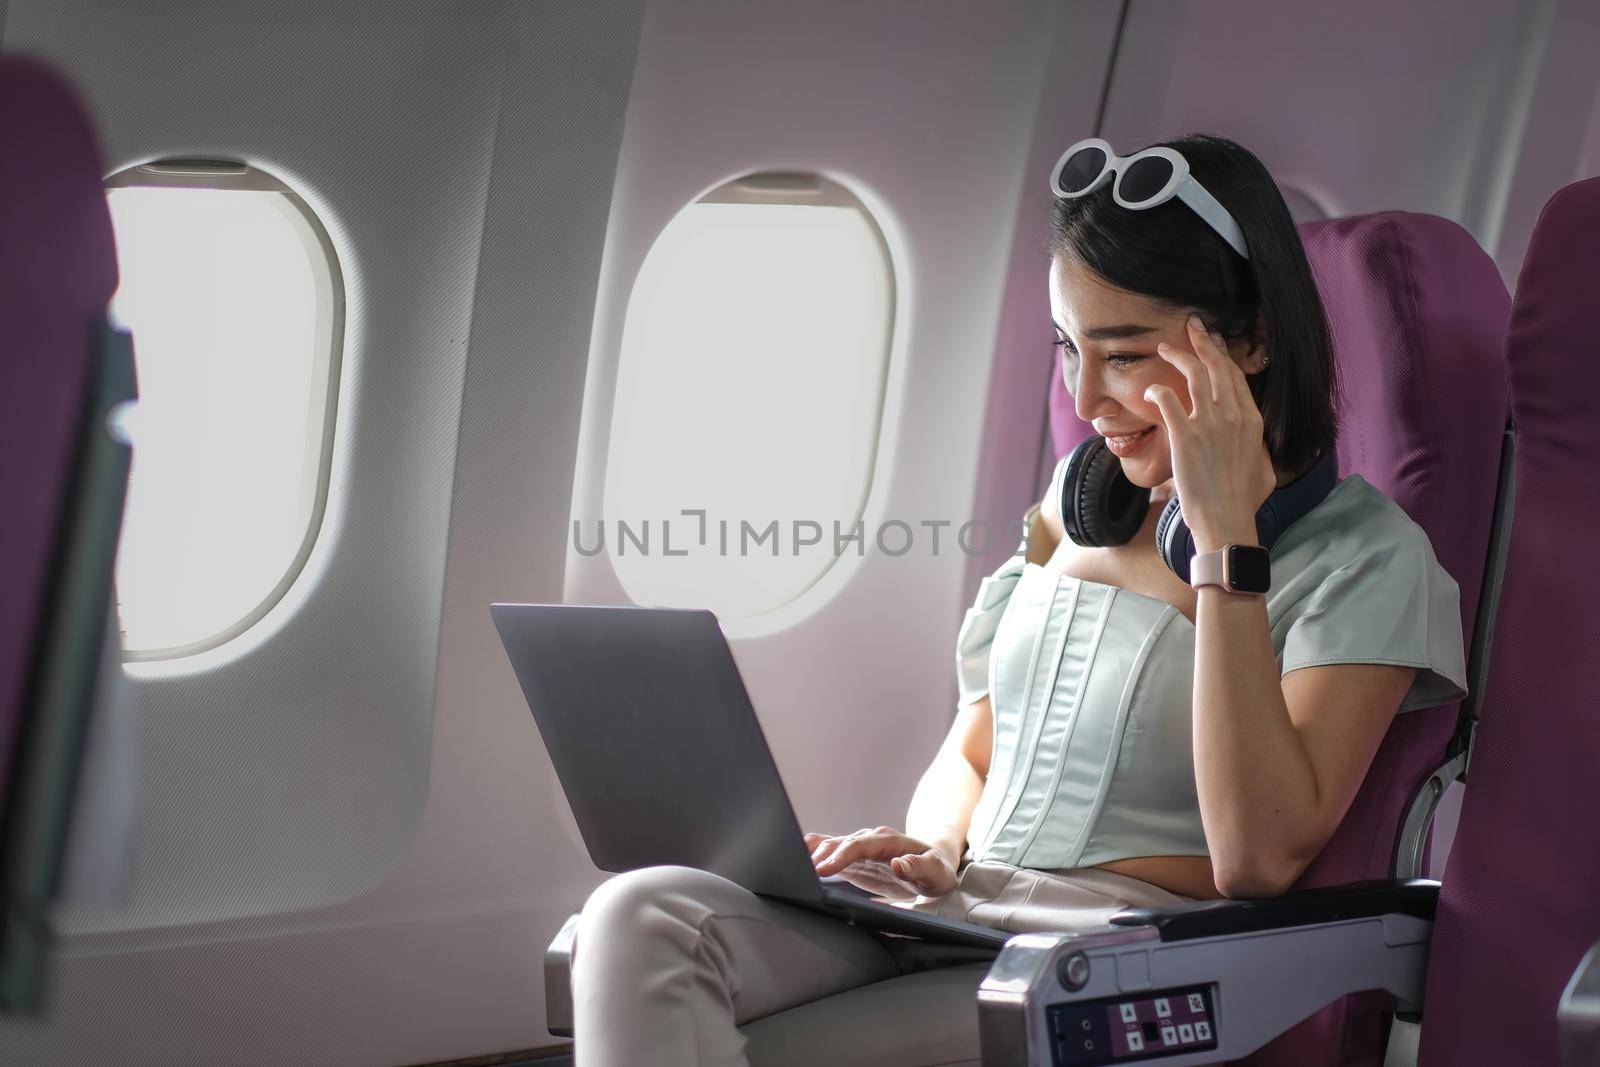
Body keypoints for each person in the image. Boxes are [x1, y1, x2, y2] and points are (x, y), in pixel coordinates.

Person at [568, 132, 1470, 1066]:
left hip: (1110, 960)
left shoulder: (1362, 558)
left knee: (772, 1049)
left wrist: (1225, 546)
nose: (1085, 399)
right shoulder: (1075, 507)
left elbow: (1260, 856)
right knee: (637, 913)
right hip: (955, 910)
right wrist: (925, 847)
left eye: (1123, 355)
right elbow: (973, 744)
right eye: (1069, 349)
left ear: (1247, 343)